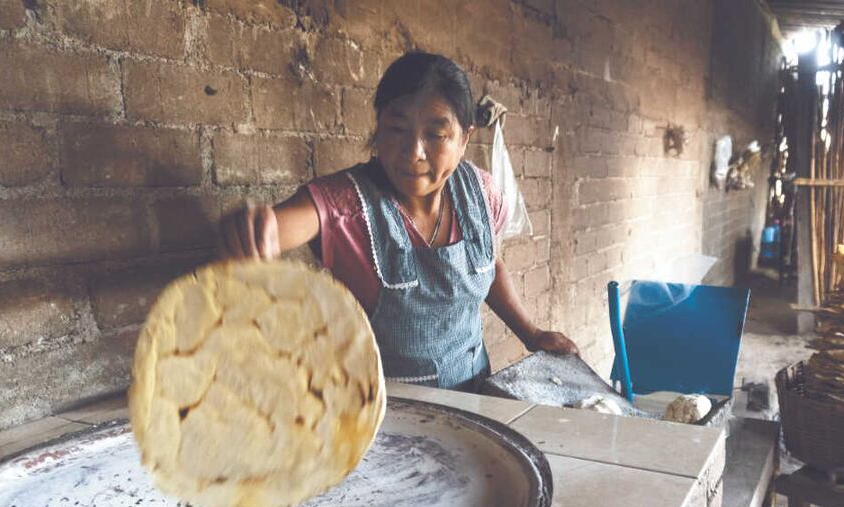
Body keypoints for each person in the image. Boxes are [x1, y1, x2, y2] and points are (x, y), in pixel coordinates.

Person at [218, 51, 578, 392]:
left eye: (436, 135)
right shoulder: (348, 203)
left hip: (475, 393)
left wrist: (530, 333)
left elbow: (489, 265)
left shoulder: (481, 193)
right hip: (390, 417)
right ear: (378, 127)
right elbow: (278, 227)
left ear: (464, 139)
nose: (413, 153)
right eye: (396, 129)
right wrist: (252, 231)